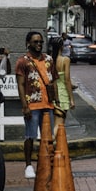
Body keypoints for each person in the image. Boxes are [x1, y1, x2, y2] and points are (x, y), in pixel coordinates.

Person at [15, 31, 57, 179]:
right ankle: (28, 165)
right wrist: (25, 105)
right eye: (35, 42)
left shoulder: (49, 60)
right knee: (30, 136)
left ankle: (46, 163)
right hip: (32, 104)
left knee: (48, 137)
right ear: (28, 43)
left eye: (40, 42)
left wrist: (56, 102)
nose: (39, 44)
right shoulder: (23, 61)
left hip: (48, 104)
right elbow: (20, 85)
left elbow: (53, 82)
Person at [49, 36, 76, 121]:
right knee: (60, 123)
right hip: (63, 93)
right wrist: (71, 99)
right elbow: (67, 80)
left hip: (52, 93)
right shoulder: (65, 60)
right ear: (62, 46)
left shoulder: (49, 60)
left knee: (54, 121)